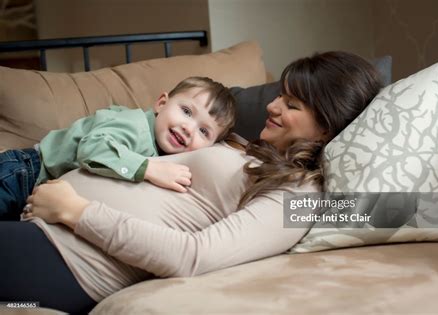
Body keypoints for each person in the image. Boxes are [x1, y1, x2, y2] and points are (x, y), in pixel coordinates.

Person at [0, 51, 383, 314]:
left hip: (67, 259)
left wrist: (77, 211)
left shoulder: (301, 195)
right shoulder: (245, 145)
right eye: (280, 96)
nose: (272, 106)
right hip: (41, 225)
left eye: (292, 105)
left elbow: (194, 256)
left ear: (326, 129)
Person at [0, 77, 236, 220]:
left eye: (204, 131)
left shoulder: (168, 155)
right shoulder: (135, 126)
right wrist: (147, 169)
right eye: (186, 111)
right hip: (23, 172)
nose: (188, 128)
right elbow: (91, 149)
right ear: (161, 103)